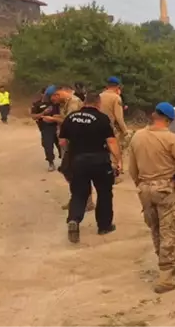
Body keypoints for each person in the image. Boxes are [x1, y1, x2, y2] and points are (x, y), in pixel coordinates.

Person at [128, 102, 175, 293]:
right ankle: (164, 278)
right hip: (166, 189)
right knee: (171, 229)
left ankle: (164, 262)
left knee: (156, 227)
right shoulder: (170, 138)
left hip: (144, 189)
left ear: (154, 115)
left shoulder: (137, 137)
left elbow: (132, 169)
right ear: (169, 120)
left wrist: (141, 184)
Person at [58, 92, 121, 243]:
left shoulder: (71, 118)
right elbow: (111, 141)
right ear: (98, 104)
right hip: (99, 161)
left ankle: (74, 219)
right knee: (104, 193)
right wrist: (118, 160)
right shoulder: (101, 118)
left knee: (79, 194)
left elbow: (62, 142)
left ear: (84, 103)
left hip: (78, 161)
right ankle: (104, 226)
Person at [45, 84, 95, 211]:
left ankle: (85, 200)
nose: (53, 102)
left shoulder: (73, 102)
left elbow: (72, 121)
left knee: (75, 171)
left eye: (53, 99)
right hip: (68, 141)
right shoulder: (65, 104)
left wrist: (53, 119)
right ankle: (77, 198)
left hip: (74, 142)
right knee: (69, 171)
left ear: (57, 94)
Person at [99, 76, 128, 184]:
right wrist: (125, 131)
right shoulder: (116, 98)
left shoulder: (99, 96)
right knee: (114, 152)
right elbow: (119, 117)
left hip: (98, 127)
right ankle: (113, 176)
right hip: (110, 128)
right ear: (118, 86)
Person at [30, 87, 62, 171]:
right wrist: (43, 113)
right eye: (47, 95)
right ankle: (51, 162)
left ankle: (64, 160)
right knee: (48, 145)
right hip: (46, 128)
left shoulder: (56, 102)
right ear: (42, 94)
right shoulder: (37, 104)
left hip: (58, 126)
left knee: (62, 145)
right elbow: (33, 116)